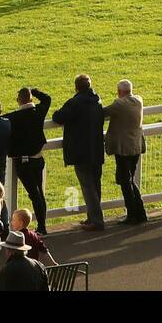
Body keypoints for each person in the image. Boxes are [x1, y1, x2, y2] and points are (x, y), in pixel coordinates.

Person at [52, 74, 106, 231]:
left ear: (76, 87)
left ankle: (96, 221)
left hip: (81, 152)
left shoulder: (74, 103)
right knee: (95, 185)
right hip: (96, 149)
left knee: (88, 186)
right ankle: (93, 217)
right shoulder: (97, 99)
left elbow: (58, 117)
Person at [5, 87, 52, 235]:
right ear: (31, 99)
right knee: (39, 194)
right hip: (38, 158)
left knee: (35, 194)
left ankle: (42, 228)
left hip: (23, 163)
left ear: (19, 100)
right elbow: (47, 99)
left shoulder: (13, 117)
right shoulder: (38, 111)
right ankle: (42, 226)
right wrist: (34, 91)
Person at [104, 79, 147, 225]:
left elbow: (103, 113)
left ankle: (133, 214)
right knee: (129, 180)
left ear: (119, 92)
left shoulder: (119, 104)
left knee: (125, 181)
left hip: (123, 149)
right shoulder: (138, 100)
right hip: (135, 146)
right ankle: (139, 213)